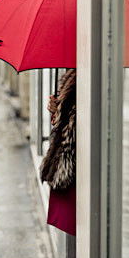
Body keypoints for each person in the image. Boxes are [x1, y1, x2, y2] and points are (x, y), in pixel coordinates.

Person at [40, 69, 76, 236]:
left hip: (79, 157)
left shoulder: (91, 76)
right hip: (71, 154)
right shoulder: (71, 76)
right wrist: (56, 108)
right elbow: (64, 120)